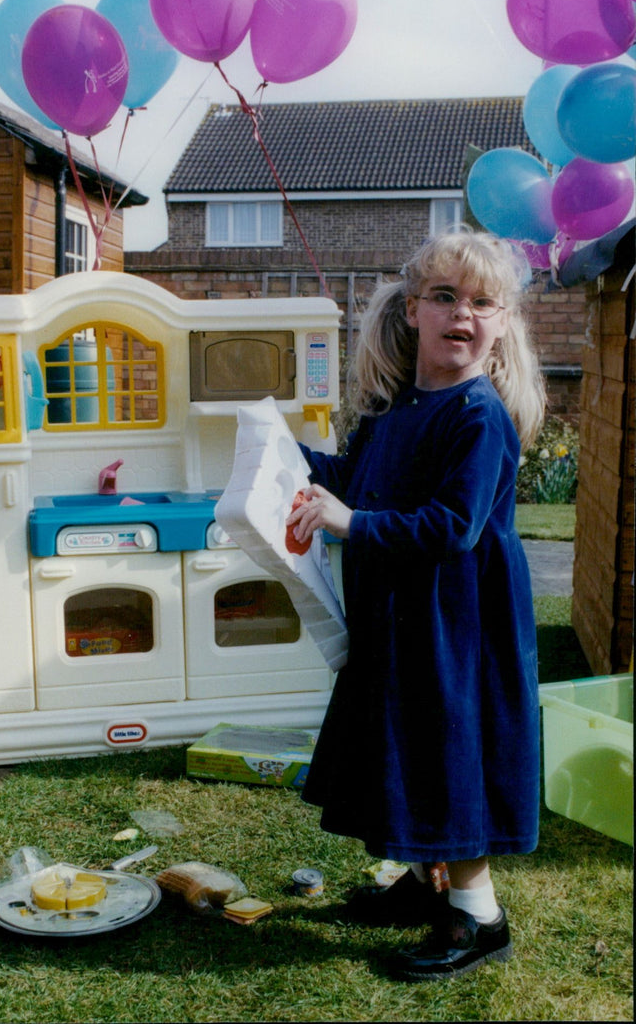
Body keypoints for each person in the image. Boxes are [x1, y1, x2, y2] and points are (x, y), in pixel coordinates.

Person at [287, 228, 546, 982]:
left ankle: (478, 914)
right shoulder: (393, 410)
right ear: (411, 311)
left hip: (460, 627)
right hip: (406, 619)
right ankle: (422, 880)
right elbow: (356, 476)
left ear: (499, 323)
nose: (461, 313)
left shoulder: (478, 416)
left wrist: (349, 523)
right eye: (444, 297)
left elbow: (451, 527)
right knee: (409, 749)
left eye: (481, 302)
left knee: (449, 756)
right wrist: (286, 456)